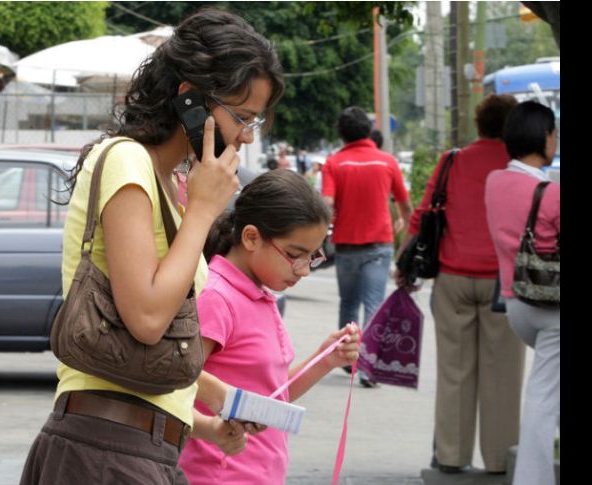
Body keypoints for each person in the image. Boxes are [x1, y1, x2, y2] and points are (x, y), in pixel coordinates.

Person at [19, 9, 285, 485]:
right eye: (241, 117)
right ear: (191, 100)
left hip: (142, 448)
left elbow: (151, 350)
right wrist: (203, 212)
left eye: (255, 122)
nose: (246, 136)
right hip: (104, 450)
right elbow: (144, 319)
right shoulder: (126, 162)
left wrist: (216, 408)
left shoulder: (169, 185)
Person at [178, 169, 360, 484]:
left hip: (261, 473)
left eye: (312, 258)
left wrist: (327, 359)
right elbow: (174, 380)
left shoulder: (260, 294)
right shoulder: (217, 296)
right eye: (294, 255)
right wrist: (211, 429)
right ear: (251, 237)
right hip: (217, 475)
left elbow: (269, 399)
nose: (303, 270)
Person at [394, 94, 523, 474]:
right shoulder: (518, 167)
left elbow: (422, 215)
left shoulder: (454, 161)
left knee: (454, 371)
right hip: (504, 283)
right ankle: (500, 460)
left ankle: (451, 456)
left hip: (452, 278)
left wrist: (404, 263)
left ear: (479, 124)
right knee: (503, 376)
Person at [485, 101, 560, 485]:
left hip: (517, 305)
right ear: (543, 137)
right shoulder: (550, 192)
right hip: (553, 311)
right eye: (554, 132)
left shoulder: (494, 182)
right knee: (543, 399)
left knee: (551, 390)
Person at [321, 106, 412, 387]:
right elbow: (406, 206)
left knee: (348, 303)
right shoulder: (387, 162)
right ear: (368, 131)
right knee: (373, 304)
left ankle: (348, 360)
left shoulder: (334, 163)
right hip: (378, 245)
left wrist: (321, 234)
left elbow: (326, 205)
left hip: (347, 246)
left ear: (342, 133)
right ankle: (368, 369)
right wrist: (404, 239)